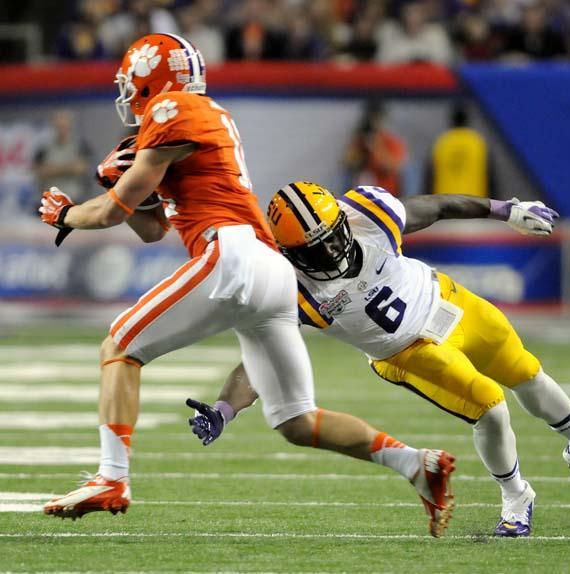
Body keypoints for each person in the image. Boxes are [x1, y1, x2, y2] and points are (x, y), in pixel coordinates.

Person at [38, 33, 456, 538]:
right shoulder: (189, 119)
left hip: (230, 252)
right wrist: (124, 188)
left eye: (132, 82)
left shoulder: (174, 106)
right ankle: (417, 464)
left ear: (153, 77)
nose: (128, 93)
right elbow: (150, 228)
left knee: (119, 347)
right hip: (270, 272)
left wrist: (67, 213)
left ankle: (112, 479)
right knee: (297, 421)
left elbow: (110, 211)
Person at [188, 181, 570, 538]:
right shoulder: (287, 287)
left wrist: (506, 209)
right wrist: (225, 408)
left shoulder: (367, 213)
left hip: (449, 302)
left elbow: (438, 206)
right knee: (491, 407)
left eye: (332, 237)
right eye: (314, 249)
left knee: (527, 373)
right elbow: (262, 359)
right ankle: (516, 494)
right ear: (290, 253)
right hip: (409, 353)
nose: (329, 251)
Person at [343, 99, 407, 197]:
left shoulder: (390, 142)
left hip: (386, 197)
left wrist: (376, 147)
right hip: (361, 197)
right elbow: (348, 162)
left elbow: (392, 167)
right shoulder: (360, 141)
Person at [425, 103, 490, 198]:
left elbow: (429, 180)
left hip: (445, 204)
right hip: (474, 204)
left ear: (451, 120)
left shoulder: (441, 143)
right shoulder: (478, 143)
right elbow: (490, 180)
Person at [34, 110, 92, 204]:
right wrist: (68, 168)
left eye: (64, 126)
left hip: (74, 198)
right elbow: (40, 171)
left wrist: (54, 169)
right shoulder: (44, 147)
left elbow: (81, 168)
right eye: (59, 127)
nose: (61, 130)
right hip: (52, 200)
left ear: (70, 126)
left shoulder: (80, 145)